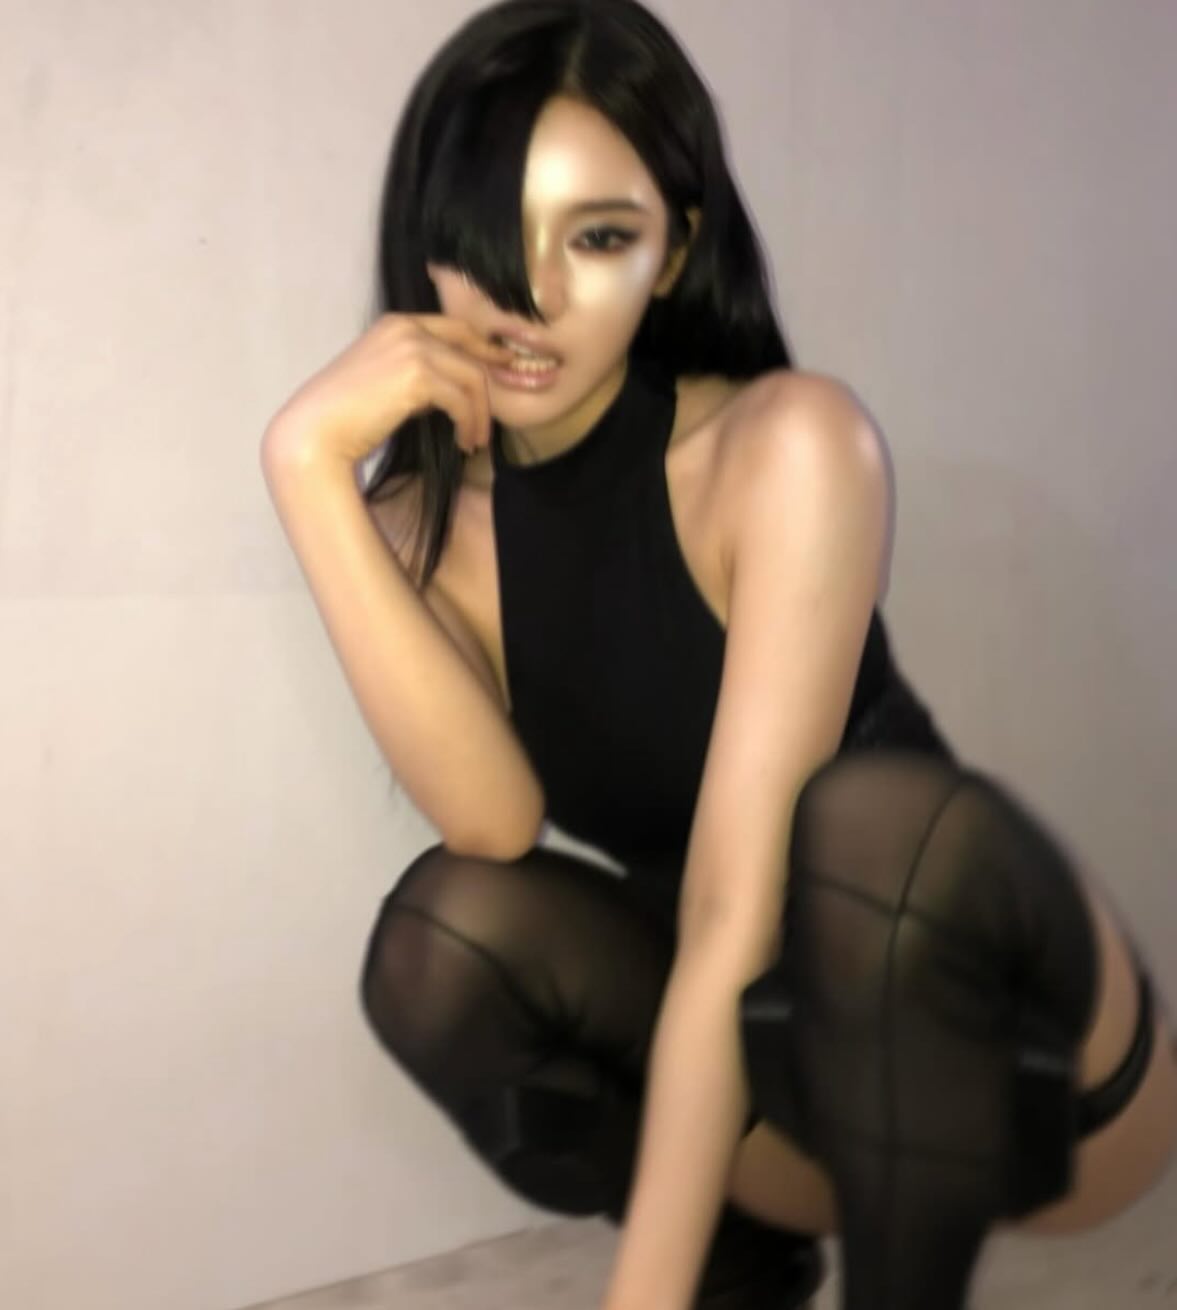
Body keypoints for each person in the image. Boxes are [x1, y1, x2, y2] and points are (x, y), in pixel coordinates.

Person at [260, 2, 1177, 1307]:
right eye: (488, 235)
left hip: (1036, 1089)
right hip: (799, 1105)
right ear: (427, 241)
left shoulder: (784, 447)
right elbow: (493, 820)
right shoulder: (420, 527)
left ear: (676, 248)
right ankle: (741, 1267)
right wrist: (304, 466)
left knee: (869, 831)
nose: (531, 296)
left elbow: (735, 911)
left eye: (596, 237)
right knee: (444, 941)